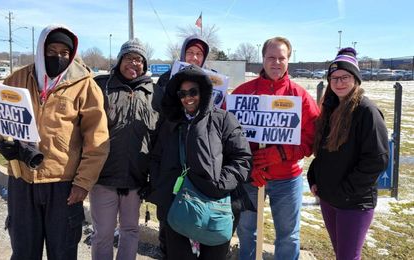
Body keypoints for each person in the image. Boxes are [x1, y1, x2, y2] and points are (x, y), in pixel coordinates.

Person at [0, 24, 109, 259]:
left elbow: (97, 140)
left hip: (63, 186)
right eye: (52, 51)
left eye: (64, 53)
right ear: (41, 50)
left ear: (72, 54)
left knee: (63, 252)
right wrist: (0, 143)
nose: (58, 57)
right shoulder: (16, 79)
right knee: (24, 251)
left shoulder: (85, 85)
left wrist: (82, 183)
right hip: (22, 179)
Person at [148, 65, 252, 259]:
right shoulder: (170, 123)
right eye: (182, 93)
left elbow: (241, 158)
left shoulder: (224, 120)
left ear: (204, 92)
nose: (188, 97)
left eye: (193, 91)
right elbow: (156, 157)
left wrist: (221, 184)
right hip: (175, 206)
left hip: (215, 205)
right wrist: (159, 185)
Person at [232, 37, 320, 260]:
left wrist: (282, 153)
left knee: (288, 236)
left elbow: (312, 137)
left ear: (288, 61)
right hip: (251, 178)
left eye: (282, 58)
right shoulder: (243, 92)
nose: (276, 63)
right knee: (245, 231)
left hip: (287, 179)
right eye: (271, 57)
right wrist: (249, 164)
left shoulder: (299, 96)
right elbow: (228, 136)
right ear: (262, 59)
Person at [307, 47, 389, 260]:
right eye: (334, 78)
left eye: (345, 77)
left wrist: (346, 191)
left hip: (353, 202)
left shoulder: (366, 111)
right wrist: (314, 177)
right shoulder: (331, 108)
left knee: (348, 257)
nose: (339, 82)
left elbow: (376, 160)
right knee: (340, 253)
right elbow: (324, 152)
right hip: (329, 198)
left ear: (356, 79)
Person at [89, 38, 161, 260]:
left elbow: (158, 136)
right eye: (129, 58)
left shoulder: (154, 93)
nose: (134, 63)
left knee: (130, 231)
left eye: (139, 60)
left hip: (135, 178)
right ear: (120, 60)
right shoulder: (102, 86)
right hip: (103, 176)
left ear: (145, 65)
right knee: (103, 233)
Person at [154, 34, 209, 258]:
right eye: (190, 53)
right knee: (168, 212)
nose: (194, 58)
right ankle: (165, 249)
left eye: (199, 54)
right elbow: (157, 109)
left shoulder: (210, 81)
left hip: (197, 152)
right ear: (183, 54)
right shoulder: (167, 78)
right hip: (170, 149)